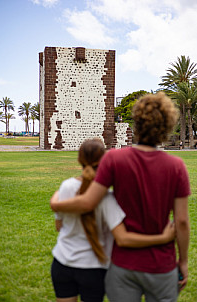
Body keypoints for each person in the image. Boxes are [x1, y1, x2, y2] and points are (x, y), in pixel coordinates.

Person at [51, 92, 190, 302]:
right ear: (167, 126)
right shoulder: (177, 166)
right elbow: (181, 221)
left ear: (137, 122)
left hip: (124, 264)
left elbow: (89, 201)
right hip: (161, 264)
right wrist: (184, 261)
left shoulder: (115, 158)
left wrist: (55, 203)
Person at [51, 138, 175, 302]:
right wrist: (163, 238)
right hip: (93, 268)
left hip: (62, 263)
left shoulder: (66, 186)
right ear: (104, 161)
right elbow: (123, 238)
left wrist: (55, 202)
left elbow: (59, 226)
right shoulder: (107, 198)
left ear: (79, 160)